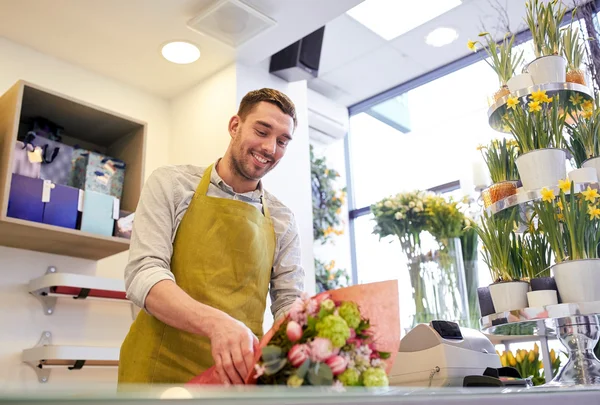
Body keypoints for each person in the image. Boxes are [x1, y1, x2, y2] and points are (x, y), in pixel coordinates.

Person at [118, 88, 305, 385]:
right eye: (262, 131)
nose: (271, 148)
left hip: (235, 379)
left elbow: (288, 301)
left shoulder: (283, 220)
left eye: (283, 141)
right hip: (157, 369)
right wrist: (217, 324)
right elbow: (144, 273)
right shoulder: (172, 184)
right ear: (235, 126)